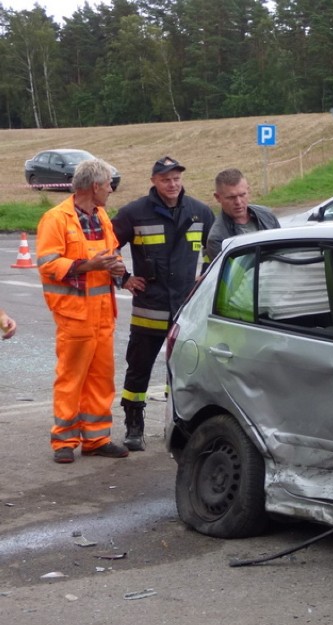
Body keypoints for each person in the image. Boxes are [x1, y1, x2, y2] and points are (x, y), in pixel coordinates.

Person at [111, 156, 214, 451]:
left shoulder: (200, 212)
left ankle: (177, 425)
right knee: (138, 368)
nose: (172, 184)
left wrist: (204, 278)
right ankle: (133, 426)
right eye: (166, 179)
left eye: (177, 178)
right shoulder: (134, 213)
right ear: (154, 181)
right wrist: (124, 278)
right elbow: (107, 247)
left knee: (181, 371)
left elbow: (216, 250)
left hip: (185, 310)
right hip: (149, 309)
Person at [35, 158, 129, 463]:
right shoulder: (56, 219)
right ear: (94, 186)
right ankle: (64, 441)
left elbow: (111, 251)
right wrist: (90, 265)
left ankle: (96, 438)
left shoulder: (101, 215)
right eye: (108, 185)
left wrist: (116, 267)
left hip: (103, 314)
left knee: (101, 378)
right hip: (74, 314)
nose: (111, 191)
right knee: (71, 377)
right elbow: (48, 264)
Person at [205, 168, 281, 262]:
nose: (238, 202)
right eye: (231, 197)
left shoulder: (267, 216)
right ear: (217, 197)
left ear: (248, 190)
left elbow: (284, 251)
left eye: (242, 195)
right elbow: (234, 274)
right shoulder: (217, 238)